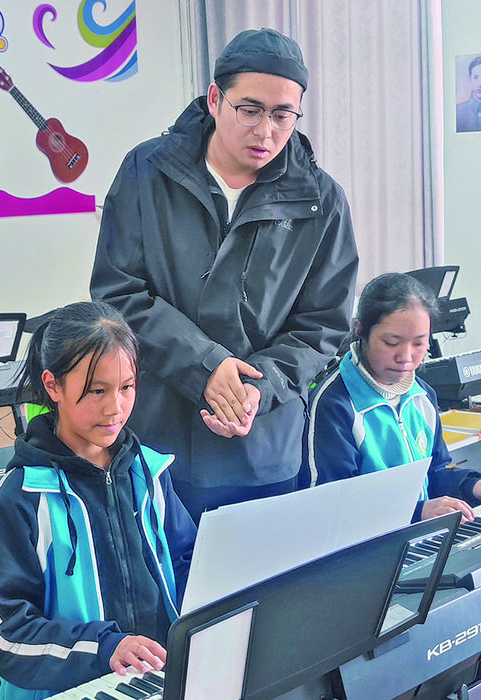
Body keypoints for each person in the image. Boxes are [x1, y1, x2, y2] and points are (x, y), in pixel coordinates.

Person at [91, 27, 358, 521]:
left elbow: (324, 326)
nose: (266, 132)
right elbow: (118, 295)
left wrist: (260, 387)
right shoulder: (146, 171)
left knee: (269, 569)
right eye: (250, 110)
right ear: (215, 99)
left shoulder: (321, 200)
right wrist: (206, 366)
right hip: (160, 437)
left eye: (283, 115)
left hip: (265, 444)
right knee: (168, 569)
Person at [301, 272, 481, 700]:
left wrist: (474, 485)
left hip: (426, 543)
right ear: (360, 332)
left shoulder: (422, 394)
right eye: (392, 342)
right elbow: (334, 510)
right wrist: (418, 512)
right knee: (479, 600)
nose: (407, 358)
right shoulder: (335, 403)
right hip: (374, 562)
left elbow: (436, 472)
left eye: (420, 344)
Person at [0, 301, 196, 700]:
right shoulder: (23, 495)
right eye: (97, 390)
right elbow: (5, 632)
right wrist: (104, 649)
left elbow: (190, 568)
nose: (115, 408)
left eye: (126, 387)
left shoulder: (150, 471)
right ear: (53, 386)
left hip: (157, 690)